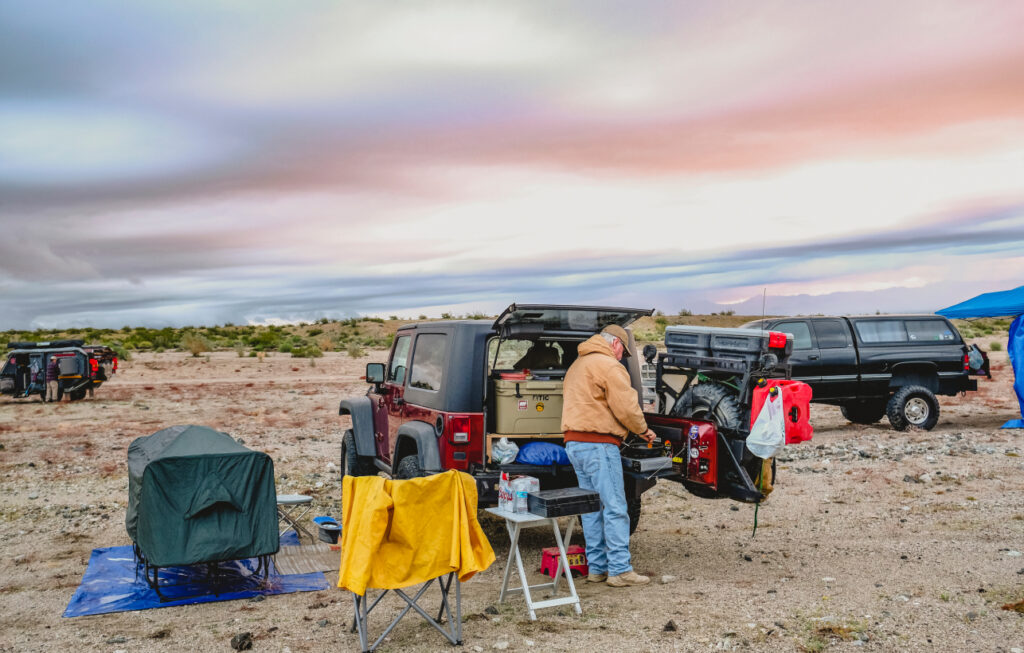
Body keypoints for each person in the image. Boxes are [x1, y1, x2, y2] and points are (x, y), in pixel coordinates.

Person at [561, 324, 656, 588]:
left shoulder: (577, 365)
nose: (622, 356)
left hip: (575, 444)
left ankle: (597, 568)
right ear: (615, 343)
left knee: (592, 509)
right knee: (615, 507)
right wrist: (644, 430)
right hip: (599, 446)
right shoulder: (609, 366)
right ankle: (620, 570)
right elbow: (626, 408)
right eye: (623, 351)